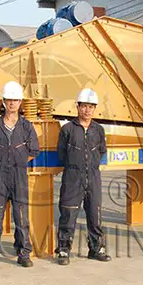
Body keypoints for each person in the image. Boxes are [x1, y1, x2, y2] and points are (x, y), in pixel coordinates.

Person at [0, 81, 40, 270]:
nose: (12, 103)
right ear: (4, 102)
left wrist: (19, 160)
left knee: (21, 217)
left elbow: (34, 150)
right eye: (9, 100)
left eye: (15, 100)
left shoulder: (26, 126)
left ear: (20, 102)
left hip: (19, 175)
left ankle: (24, 254)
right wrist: (1, 161)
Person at [55, 88, 111, 265]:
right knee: (68, 214)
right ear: (77, 107)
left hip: (93, 177)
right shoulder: (67, 129)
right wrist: (75, 166)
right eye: (84, 106)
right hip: (72, 177)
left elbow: (102, 151)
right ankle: (64, 250)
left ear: (95, 109)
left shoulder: (98, 130)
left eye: (91, 107)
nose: (87, 110)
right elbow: (62, 154)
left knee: (95, 214)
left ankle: (96, 249)